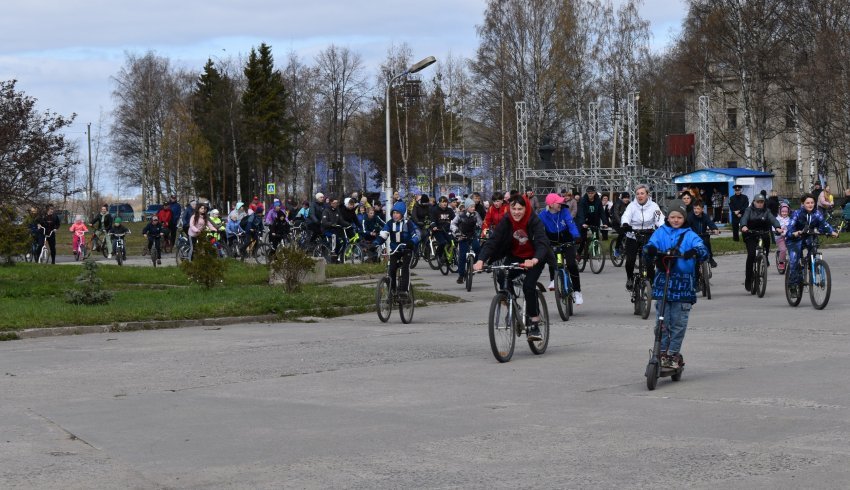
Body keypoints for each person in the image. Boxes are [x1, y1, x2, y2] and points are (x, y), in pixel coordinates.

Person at [473, 195, 551, 341]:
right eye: (513, 208)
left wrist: (534, 259)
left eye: (520, 209)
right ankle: (513, 303)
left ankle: (534, 323)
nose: (516, 212)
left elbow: (542, 242)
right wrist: (481, 260)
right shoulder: (507, 220)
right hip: (515, 256)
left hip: (535, 258)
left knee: (529, 286)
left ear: (526, 208)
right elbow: (493, 240)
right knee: (502, 275)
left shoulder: (533, 220)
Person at [643, 199, 708, 370]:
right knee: (662, 321)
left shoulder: (690, 234)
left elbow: (702, 249)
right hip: (664, 282)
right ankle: (661, 351)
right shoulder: (661, 232)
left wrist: (694, 251)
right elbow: (650, 246)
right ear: (668, 217)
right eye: (672, 217)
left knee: (678, 322)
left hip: (683, 285)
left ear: (684, 218)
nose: (676, 220)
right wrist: (649, 250)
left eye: (679, 217)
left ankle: (673, 353)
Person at [785, 193, 838, 296]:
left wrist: (831, 232)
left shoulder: (817, 214)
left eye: (812, 202)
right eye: (807, 203)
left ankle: (812, 265)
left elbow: (824, 224)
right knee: (794, 260)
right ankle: (792, 285)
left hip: (809, 237)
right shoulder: (797, 213)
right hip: (795, 239)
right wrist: (794, 233)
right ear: (802, 204)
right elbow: (790, 226)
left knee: (813, 250)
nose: (810, 205)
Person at [538, 193, 582, 304]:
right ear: (551, 204)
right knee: (555, 262)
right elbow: (537, 228)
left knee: (571, 264)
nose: (561, 204)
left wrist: (576, 236)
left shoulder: (564, 211)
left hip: (567, 241)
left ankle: (577, 291)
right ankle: (553, 279)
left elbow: (571, 224)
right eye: (558, 202)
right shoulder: (543, 215)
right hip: (553, 242)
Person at [620, 184, 665, 291]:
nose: (640, 196)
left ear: (647, 195)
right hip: (633, 235)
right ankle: (630, 278)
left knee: (649, 261)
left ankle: (651, 282)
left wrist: (662, 227)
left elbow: (660, 218)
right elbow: (626, 216)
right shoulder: (632, 206)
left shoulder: (654, 206)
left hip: (648, 234)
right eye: (637, 194)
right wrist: (626, 224)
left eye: (642, 193)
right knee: (630, 260)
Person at [374, 201, 420, 296]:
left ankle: (404, 291)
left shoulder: (408, 223)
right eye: (393, 213)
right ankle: (392, 291)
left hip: (407, 249)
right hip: (395, 250)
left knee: (405, 268)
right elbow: (383, 234)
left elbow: (417, 234)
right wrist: (375, 243)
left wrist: (412, 242)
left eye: (397, 213)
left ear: (402, 214)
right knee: (392, 268)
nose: (395, 215)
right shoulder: (390, 223)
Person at [740, 193, 783, 291]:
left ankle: (765, 257)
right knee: (751, 255)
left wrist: (777, 227)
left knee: (766, 239)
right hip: (750, 233)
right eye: (758, 202)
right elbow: (744, 218)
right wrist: (744, 226)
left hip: (762, 232)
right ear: (754, 202)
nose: (760, 204)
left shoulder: (767, 211)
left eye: (762, 202)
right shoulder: (748, 210)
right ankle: (748, 278)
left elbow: (773, 219)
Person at [450, 198, 482, 284]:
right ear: (467, 207)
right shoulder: (460, 215)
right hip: (462, 237)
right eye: (471, 207)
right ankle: (461, 275)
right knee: (462, 256)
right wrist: (456, 231)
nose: (473, 208)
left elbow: (480, 224)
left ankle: (474, 265)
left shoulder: (476, 214)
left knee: (478, 248)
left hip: (473, 236)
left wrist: (480, 229)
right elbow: (453, 224)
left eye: (474, 207)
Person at [687, 200, 719, 268]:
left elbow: (710, 223)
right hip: (693, 237)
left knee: (707, 243)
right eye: (694, 208)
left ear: (702, 209)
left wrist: (715, 229)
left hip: (703, 236)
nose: (696, 210)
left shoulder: (705, 216)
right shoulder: (690, 216)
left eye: (698, 208)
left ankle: (710, 259)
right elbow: (687, 226)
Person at [576, 186, 603, 257]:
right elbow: (580, 212)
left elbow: (602, 212)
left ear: (595, 193)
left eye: (592, 193)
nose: (590, 194)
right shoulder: (583, 200)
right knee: (583, 238)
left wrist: (606, 223)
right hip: (584, 220)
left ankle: (595, 252)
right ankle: (578, 253)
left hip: (594, 220)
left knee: (596, 236)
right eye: (589, 193)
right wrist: (582, 223)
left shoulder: (598, 200)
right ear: (587, 193)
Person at [429, 196, 455, 262]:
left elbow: (455, 219)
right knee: (443, 242)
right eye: (443, 202)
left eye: (446, 202)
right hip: (438, 230)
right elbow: (432, 220)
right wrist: (434, 226)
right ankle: (438, 255)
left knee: (454, 242)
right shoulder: (435, 210)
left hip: (447, 230)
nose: (445, 203)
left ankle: (449, 255)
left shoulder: (450, 210)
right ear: (439, 203)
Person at [611, 192, 631, 258]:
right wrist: (621, 223)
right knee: (622, 233)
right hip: (616, 222)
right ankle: (616, 249)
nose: (626, 199)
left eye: (627, 198)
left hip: (626, 223)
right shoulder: (618, 203)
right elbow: (616, 214)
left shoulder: (630, 204)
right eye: (625, 198)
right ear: (622, 198)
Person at [775, 202, 791, 273]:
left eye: (786, 212)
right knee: (783, 250)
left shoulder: (789, 219)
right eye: (783, 212)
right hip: (780, 237)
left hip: (788, 237)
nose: (784, 213)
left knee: (793, 249)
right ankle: (781, 263)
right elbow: (774, 227)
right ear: (780, 211)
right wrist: (778, 230)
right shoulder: (777, 219)